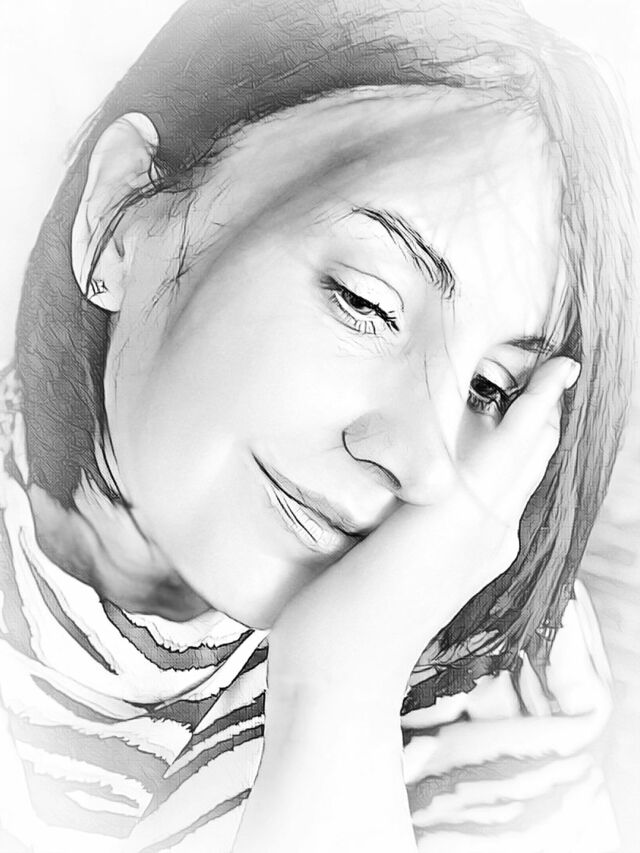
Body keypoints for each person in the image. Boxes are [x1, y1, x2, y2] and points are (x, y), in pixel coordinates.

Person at [0, 0, 634, 851]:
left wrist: (339, 695)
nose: (426, 464)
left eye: (491, 389)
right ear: (122, 212)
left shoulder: (499, 689)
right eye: (365, 301)